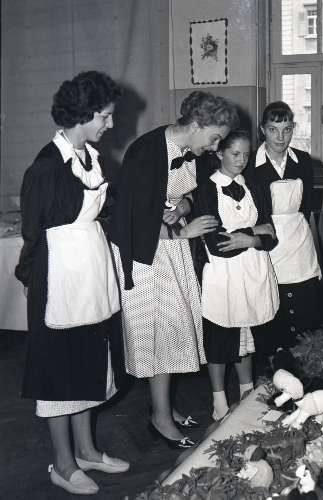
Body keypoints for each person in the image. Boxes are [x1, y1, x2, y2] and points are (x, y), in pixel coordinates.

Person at [15, 71, 128, 495]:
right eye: (105, 116)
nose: (111, 124)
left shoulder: (91, 159)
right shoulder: (46, 167)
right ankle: (62, 465)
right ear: (83, 114)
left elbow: (105, 210)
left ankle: (87, 451)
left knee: (89, 362)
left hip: (90, 278)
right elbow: (32, 234)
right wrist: (33, 282)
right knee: (59, 372)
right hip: (58, 283)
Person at [110, 91, 238, 447]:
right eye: (214, 137)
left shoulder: (191, 151)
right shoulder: (146, 152)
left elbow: (190, 192)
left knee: (174, 328)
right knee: (158, 335)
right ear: (196, 125)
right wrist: (182, 232)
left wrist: (183, 206)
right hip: (144, 255)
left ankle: (164, 407)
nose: (215, 147)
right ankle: (160, 418)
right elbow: (131, 219)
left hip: (171, 248)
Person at [193, 130, 279, 420]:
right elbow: (218, 245)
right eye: (235, 154)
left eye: (246, 154)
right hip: (223, 274)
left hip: (253, 270)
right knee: (220, 337)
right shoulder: (206, 190)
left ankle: (246, 393)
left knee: (246, 334)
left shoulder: (253, 184)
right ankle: (219, 402)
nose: (241, 160)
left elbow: (271, 235)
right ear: (219, 153)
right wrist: (253, 233)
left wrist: (249, 239)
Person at [245, 101, 323, 369]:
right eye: (273, 129)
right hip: (267, 242)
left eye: (286, 129)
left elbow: (308, 211)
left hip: (299, 242)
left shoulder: (304, 162)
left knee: (304, 309)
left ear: (293, 129)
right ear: (262, 130)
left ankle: (304, 369)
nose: (280, 137)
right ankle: (273, 372)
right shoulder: (249, 164)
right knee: (271, 308)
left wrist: (318, 256)